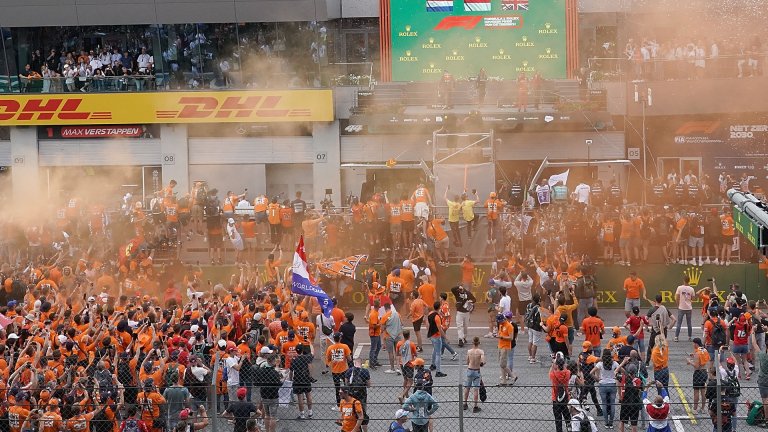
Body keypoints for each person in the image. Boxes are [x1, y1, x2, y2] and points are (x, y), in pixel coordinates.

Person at [591, 349, 618, 429]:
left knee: (604, 404)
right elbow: (622, 370)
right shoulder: (614, 363)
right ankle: (611, 423)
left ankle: (606, 423)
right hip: (612, 384)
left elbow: (591, 373)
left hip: (603, 384)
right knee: (612, 403)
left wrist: (597, 379)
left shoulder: (600, 364)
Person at [326, 332, 352, 409]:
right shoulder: (345, 346)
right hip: (344, 370)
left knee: (337, 388)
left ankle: (338, 405)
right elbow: (349, 359)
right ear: (340, 338)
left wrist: (332, 363)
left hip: (335, 371)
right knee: (347, 386)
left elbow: (328, 360)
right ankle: (349, 402)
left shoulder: (330, 348)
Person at [685, 338, 710, 414]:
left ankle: (695, 409)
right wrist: (694, 356)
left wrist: (690, 361)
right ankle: (703, 408)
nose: (693, 345)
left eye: (693, 343)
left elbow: (696, 366)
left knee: (696, 391)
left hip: (698, 373)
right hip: (705, 372)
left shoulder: (697, 353)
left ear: (696, 344)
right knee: (703, 391)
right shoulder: (704, 350)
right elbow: (705, 360)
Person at [551, 353, 572, 432]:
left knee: (558, 419)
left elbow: (551, 371)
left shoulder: (553, 374)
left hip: (555, 398)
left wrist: (553, 364)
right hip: (565, 397)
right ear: (563, 365)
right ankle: (569, 427)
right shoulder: (567, 373)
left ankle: (559, 430)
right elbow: (566, 369)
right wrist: (562, 365)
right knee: (567, 415)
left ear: (557, 365)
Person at [463, 336, 485, 413]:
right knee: (476, 389)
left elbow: (467, 361)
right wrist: (481, 363)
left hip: (470, 370)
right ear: (479, 343)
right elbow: (483, 360)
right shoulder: (481, 351)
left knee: (467, 388)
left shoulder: (469, 351)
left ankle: (465, 403)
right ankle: (475, 406)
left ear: (472, 343)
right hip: (476, 371)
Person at [396, 329, 418, 403]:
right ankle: (402, 395)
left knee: (405, 379)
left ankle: (406, 394)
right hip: (409, 364)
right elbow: (415, 354)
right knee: (410, 381)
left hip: (402, 363)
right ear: (409, 335)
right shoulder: (411, 344)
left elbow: (397, 353)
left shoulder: (399, 343)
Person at [427, 301, 448, 377]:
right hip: (436, 336)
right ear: (439, 307)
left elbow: (428, 324)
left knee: (434, 350)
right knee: (438, 354)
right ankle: (438, 371)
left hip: (431, 335)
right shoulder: (437, 317)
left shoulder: (430, 314)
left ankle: (433, 365)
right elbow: (440, 329)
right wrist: (445, 337)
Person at [497, 311, 519, 386]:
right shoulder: (501, 325)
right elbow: (500, 334)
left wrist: (502, 337)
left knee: (503, 364)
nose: (499, 323)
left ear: (503, 319)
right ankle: (504, 381)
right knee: (501, 364)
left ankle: (513, 376)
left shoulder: (509, 326)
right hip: (500, 345)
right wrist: (498, 335)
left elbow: (511, 337)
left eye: (500, 321)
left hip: (505, 346)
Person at [451, 283, 476, 347]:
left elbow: (474, 299)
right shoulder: (457, 293)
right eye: (459, 288)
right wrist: (458, 287)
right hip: (459, 312)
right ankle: (460, 339)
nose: (460, 290)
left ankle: (464, 337)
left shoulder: (468, 293)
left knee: (465, 326)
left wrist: (470, 301)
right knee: (459, 326)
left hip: (467, 312)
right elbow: (452, 289)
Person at [674, 275, 695, 342]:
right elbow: (693, 298)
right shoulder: (691, 289)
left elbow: (677, 297)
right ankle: (689, 337)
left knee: (679, 323)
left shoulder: (679, 288)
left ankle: (676, 337)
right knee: (689, 323)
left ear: (683, 280)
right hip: (689, 308)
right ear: (689, 281)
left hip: (681, 308)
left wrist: (678, 305)